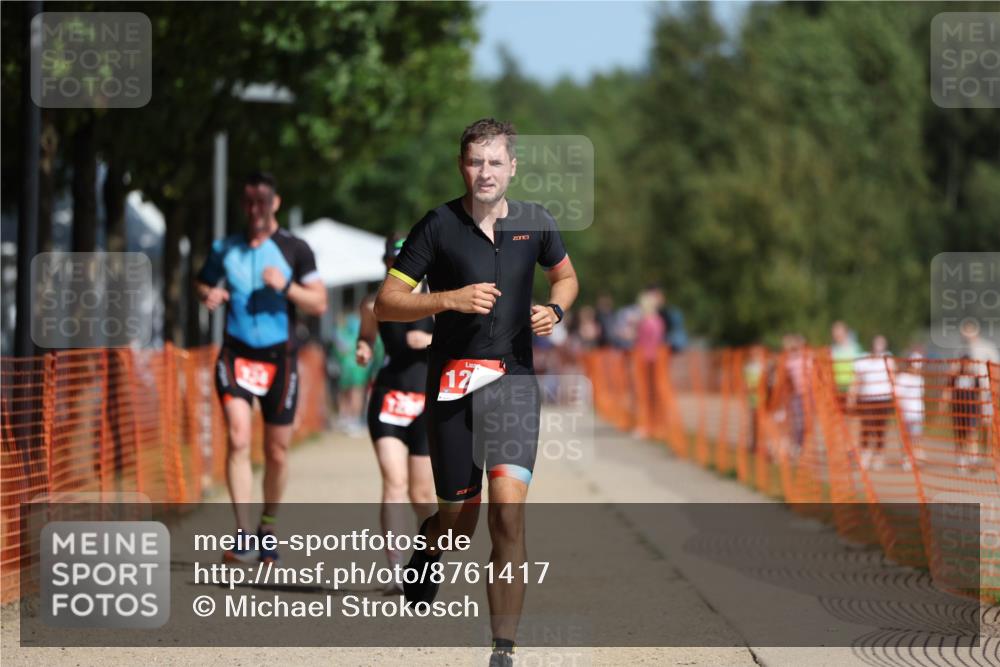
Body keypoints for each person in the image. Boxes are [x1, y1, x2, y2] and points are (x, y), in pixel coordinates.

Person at [373, 118, 578, 667]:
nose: (484, 172)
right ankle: (432, 540)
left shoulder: (536, 222)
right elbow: (386, 303)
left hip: (512, 381)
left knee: (507, 515)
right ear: (461, 166)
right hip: (454, 384)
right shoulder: (437, 226)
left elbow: (566, 277)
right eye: (474, 161)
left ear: (513, 167)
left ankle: (502, 648)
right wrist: (449, 300)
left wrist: (555, 308)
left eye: (494, 162)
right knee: (461, 525)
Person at [195, 171, 327, 563]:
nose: (255, 210)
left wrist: (285, 287)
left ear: (275, 203)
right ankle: (241, 533)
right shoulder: (226, 248)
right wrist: (211, 293)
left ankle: (267, 526)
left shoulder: (295, 249)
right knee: (238, 436)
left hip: (279, 359)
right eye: (249, 203)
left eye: (262, 203)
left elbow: (318, 302)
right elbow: (201, 283)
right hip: (236, 353)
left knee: (277, 451)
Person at [356, 234, 436, 592]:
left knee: (423, 496)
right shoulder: (374, 302)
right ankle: (394, 570)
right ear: (385, 263)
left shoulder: (436, 301)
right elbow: (366, 338)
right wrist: (362, 349)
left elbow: (463, 339)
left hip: (426, 402)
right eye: (394, 261)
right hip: (388, 398)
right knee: (394, 484)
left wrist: (432, 341)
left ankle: (428, 558)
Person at [848, 335, 895, 472]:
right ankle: (865, 454)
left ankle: (879, 455)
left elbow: (893, 377)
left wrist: (895, 394)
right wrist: (852, 395)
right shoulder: (863, 360)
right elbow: (856, 380)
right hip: (867, 399)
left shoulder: (888, 358)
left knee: (881, 428)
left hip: (883, 399)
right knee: (866, 427)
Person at [894, 352, 926, 470]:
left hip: (917, 413)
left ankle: (916, 458)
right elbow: (898, 395)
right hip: (905, 413)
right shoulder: (902, 378)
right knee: (905, 437)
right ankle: (906, 458)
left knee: (916, 437)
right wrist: (900, 410)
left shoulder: (920, 379)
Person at [830, 321, 862, 409]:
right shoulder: (833, 350)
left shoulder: (855, 349)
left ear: (845, 332)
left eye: (838, 332)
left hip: (852, 389)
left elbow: (858, 372)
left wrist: (853, 392)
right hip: (837, 389)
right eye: (834, 332)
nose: (836, 335)